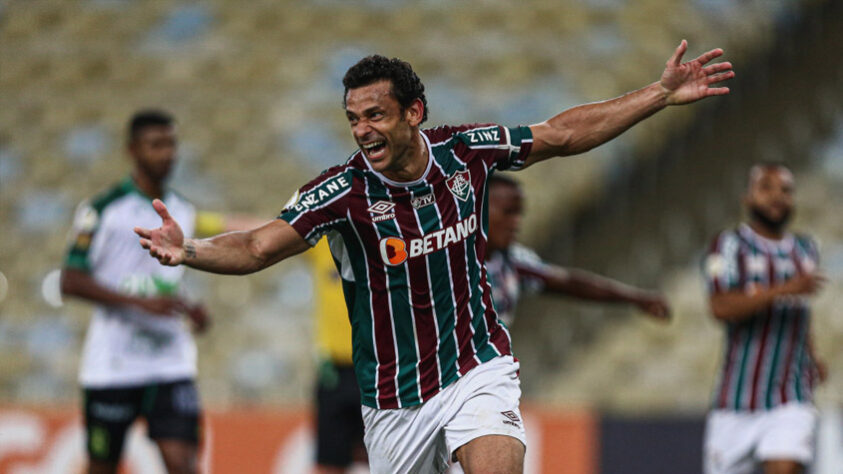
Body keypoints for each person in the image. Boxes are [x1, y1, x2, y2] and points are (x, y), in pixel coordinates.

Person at [136, 41, 733, 474]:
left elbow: (560, 134)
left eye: (376, 115)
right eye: (353, 120)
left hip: (477, 366)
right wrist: (187, 250)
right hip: (393, 402)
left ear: (413, 112)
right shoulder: (341, 193)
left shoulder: (465, 153)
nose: (364, 131)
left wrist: (657, 94)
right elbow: (257, 245)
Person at [61, 110, 252, 474]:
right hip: (113, 366)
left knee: (183, 465)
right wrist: (139, 304)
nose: (167, 153)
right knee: (102, 466)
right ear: (133, 149)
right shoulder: (102, 210)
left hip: (169, 362)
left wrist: (189, 309)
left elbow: (164, 281)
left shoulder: (182, 210)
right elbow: (70, 280)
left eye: (171, 143)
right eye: (156, 145)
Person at [702, 163, 827, 474]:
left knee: (785, 466)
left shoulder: (805, 248)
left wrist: (812, 355)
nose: (777, 197)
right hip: (736, 401)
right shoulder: (730, 246)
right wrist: (783, 289)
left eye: (785, 190)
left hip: (791, 394)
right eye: (766, 188)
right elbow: (720, 307)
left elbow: (800, 312)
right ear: (747, 198)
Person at [485, 174, 670, 327]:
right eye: (508, 212)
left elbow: (571, 283)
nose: (516, 222)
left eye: (519, 214)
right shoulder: (458, 266)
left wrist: (637, 298)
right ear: (477, 210)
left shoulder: (513, 263)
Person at [308, 238, 367, 473]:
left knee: (396, 456)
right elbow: (265, 234)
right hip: (334, 371)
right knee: (330, 461)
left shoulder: (385, 233)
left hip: (380, 369)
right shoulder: (323, 241)